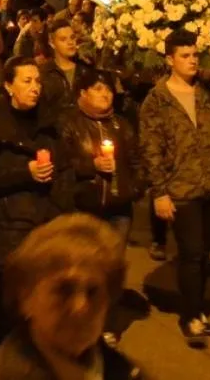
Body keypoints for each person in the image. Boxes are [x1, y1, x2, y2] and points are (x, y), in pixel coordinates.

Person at [138, 29, 210, 346]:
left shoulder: (209, 93)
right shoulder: (157, 100)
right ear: (170, 59)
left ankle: (196, 307)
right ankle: (192, 315)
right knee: (192, 253)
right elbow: (150, 149)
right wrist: (159, 192)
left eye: (195, 55)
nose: (192, 61)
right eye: (185, 56)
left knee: (205, 251)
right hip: (182, 189)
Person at [0, 214, 148, 380]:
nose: (81, 307)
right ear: (25, 298)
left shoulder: (129, 375)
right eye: (63, 290)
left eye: (93, 291)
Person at [0, 56, 71, 332]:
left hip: (44, 223)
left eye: (37, 81)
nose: (34, 87)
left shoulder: (50, 126)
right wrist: (24, 173)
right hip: (7, 226)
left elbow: (64, 172)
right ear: (9, 86)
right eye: (26, 81)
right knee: (15, 305)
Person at [59, 69, 143, 345]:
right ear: (82, 93)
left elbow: (136, 160)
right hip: (85, 205)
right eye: (97, 88)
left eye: (108, 89)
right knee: (81, 268)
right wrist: (90, 166)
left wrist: (135, 187)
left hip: (118, 207)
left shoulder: (121, 125)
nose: (105, 94)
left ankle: (106, 322)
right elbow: (62, 162)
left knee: (111, 269)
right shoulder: (69, 123)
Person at [39, 18, 93, 117]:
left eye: (72, 37)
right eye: (63, 39)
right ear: (52, 43)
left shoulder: (85, 70)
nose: (70, 42)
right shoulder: (44, 73)